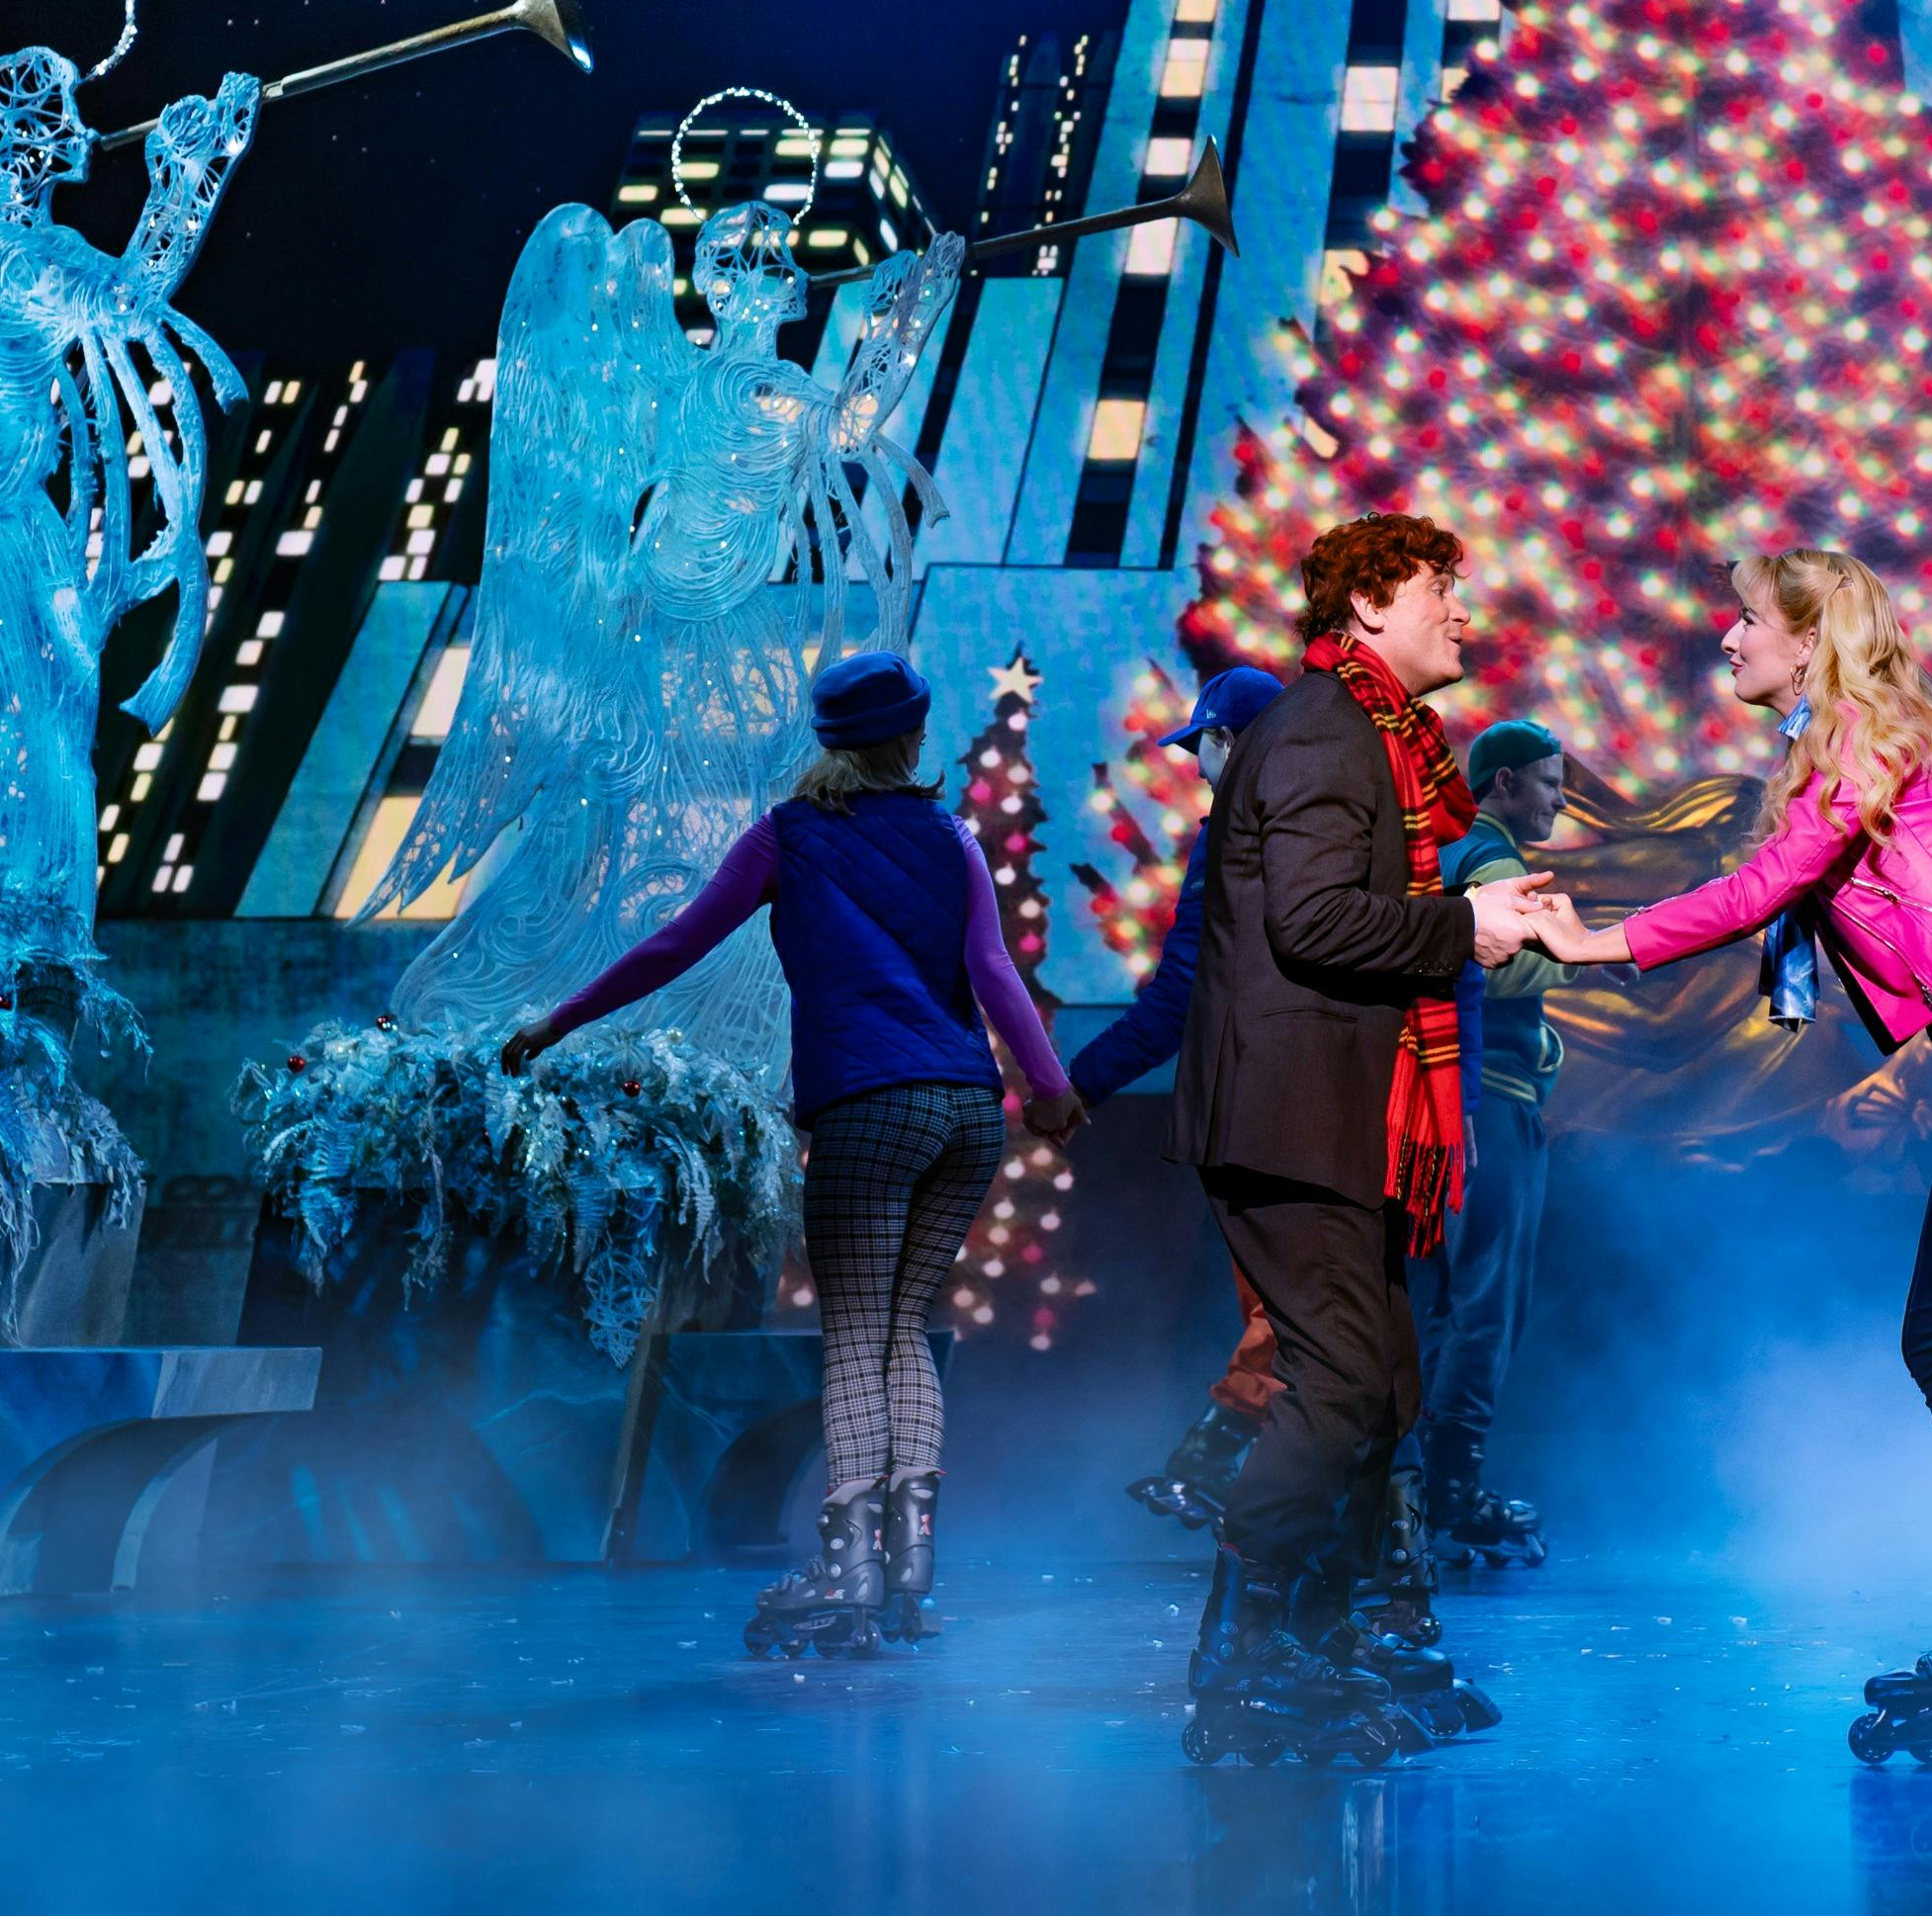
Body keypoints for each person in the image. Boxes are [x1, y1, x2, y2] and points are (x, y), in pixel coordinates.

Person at [1528, 550, 1932, 1763]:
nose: (1727, 638)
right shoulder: (1844, 743)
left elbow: (1763, 888)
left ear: (1808, 641)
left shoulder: (1860, 732)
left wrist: (1591, 944)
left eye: (1748, 618)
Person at [498, 650, 1086, 1657]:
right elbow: (993, 969)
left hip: (868, 1107)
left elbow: (676, 945)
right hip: (964, 1111)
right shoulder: (951, 835)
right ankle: (908, 1563)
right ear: (912, 736)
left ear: (829, 740)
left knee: (855, 1334)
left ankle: (849, 1565)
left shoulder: (788, 835)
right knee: (904, 1328)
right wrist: (1048, 1085)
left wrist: (561, 1020)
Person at [1175, 514, 1559, 1764]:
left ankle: (1317, 1636)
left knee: (1383, 1388)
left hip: (1336, 1113)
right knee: (1342, 1389)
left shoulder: (1375, 735)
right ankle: (1241, 1655)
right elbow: (1314, 920)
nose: (1464, 610)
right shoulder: (1325, 732)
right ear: (1372, 603)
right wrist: (1462, 927)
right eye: (1443, 587)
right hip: (1290, 1114)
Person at [1061, 663, 1294, 1535]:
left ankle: (1220, 1462)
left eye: (1202, 746)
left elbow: (1179, 998)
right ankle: (1270, 1501)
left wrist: (1079, 1083)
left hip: (1263, 1107)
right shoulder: (1334, 827)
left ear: (1229, 741)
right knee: (1322, 1310)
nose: (1196, 766)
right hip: (1331, 1103)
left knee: (1292, 1306)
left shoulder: (1238, 835)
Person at [1408, 717, 1575, 1566]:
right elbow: (1495, 961)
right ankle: (1450, 1490)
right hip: (1491, 1111)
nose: (1560, 801)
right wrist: (1585, 949)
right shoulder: (1493, 858)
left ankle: (1417, 1488)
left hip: (1445, 1106)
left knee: (1444, 1302)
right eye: (1550, 783)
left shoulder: (1445, 851)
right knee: (1486, 1304)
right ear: (1504, 783)